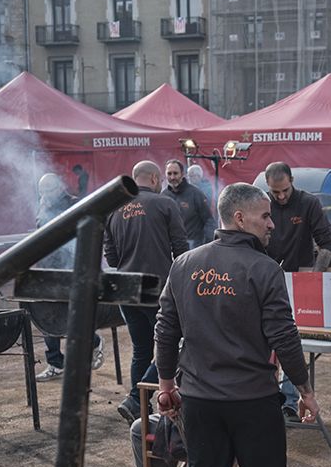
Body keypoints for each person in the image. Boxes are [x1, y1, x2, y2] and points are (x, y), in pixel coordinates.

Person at [155, 182, 318, 467]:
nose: (272, 223)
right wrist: (304, 389)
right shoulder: (264, 269)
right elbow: (284, 337)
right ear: (240, 218)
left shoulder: (184, 264)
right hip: (252, 401)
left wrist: (168, 384)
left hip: (201, 401)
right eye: (265, 216)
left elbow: (165, 331)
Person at [104, 161, 189, 424]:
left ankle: (138, 408)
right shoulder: (165, 204)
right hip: (158, 286)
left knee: (141, 348)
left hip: (126, 287)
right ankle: (133, 398)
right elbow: (181, 249)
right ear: (154, 178)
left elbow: (112, 257)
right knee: (173, 342)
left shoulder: (113, 209)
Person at [262, 162, 331, 424]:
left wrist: (314, 276)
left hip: (300, 278)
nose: (280, 197)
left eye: (284, 190)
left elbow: (326, 242)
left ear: (292, 180)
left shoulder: (308, 203)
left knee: (293, 341)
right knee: (265, 341)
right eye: (275, 192)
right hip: (266, 279)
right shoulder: (262, 203)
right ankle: (269, 399)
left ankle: (290, 403)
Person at [33, 173, 103, 381]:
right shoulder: (43, 206)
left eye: (49, 190)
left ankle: (94, 342)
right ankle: (55, 362)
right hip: (47, 268)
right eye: (42, 191)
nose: (46, 195)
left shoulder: (75, 204)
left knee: (73, 315)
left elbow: (88, 235)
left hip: (72, 268)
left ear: (60, 187)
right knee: (47, 313)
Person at [162, 159, 215, 249]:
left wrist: (206, 245)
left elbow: (209, 221)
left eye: (175, 173)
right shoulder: (164, 195)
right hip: (172, 245)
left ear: (183, 174)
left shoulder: (196, 193)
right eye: (169, 174)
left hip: (193, 245)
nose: (172, 177)